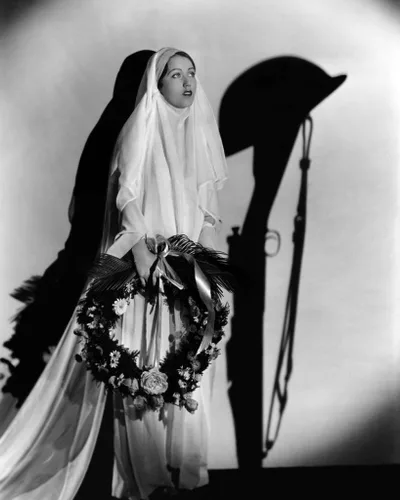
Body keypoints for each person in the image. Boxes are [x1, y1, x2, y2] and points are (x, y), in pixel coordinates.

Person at [0, 47, 228, 500]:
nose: (187, 82)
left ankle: (183, 471)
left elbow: (206, 210)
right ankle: (146, 478)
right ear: (154, 84)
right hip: (142, 272)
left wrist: (200, 264)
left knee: (187, 363)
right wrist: (142, 251)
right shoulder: (136, 130)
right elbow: (125, 197)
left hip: (185, 274)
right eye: (175, 74)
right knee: (144, 369)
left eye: (191, 73)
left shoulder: (197, 137)